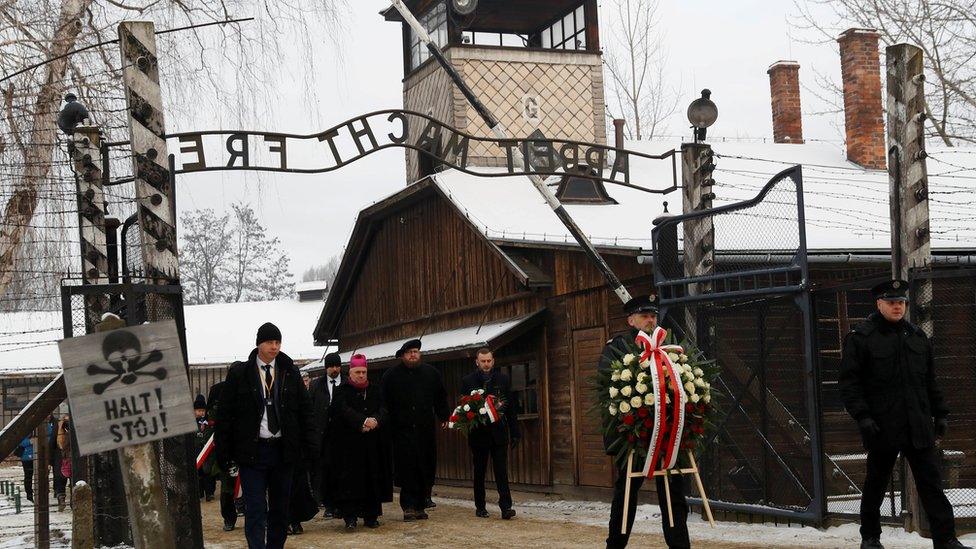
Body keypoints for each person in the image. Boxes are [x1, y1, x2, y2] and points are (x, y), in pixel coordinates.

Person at [840, 280, 971, 549]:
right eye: (891, 302)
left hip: (918, 424)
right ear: (879, 304)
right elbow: (849, 383)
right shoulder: (861, 337)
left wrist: (940, 413)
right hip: (882, 425)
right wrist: (863, 417)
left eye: (901, 302)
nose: (897, 306)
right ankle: (871, 538)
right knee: (876, 484)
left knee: (932, 484)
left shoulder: (917, 337)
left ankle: (946, 540)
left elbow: (929, 380)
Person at [215, 322, 318, 549]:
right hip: (253, 452)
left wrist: (310, 447)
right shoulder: (240, 373)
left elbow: (305, 411)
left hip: (283, 451)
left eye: (278, 342)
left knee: (280, 509)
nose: (274, 347)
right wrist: (225, 453)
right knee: (255, 509)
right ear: (259, 344)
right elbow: (225, 415)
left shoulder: (290, 372)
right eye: (270, 342)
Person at [601, 295, 690, 549]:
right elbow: (608, 390)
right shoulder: (617, 348)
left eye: (653, 315)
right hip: (634, 435)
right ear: (631, 320)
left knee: (674, 495)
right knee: (626, 494)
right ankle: (615, 545)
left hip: (667, 436)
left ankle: (680, 546)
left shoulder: (670, 346)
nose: (650, 320)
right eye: (644, 316)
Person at [381, 338, 449, 521]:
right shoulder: (391, 376)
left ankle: (420, 505)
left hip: (425, 430)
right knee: (407, 469)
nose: (413, 355)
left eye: (416, 352)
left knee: (424, 467)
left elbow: (440, 396)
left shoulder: (431, 373)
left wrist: (444, 416)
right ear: (403, 355)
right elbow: (384, 403)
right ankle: (408, 506)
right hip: (401, 431)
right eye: (409, 352)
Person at [330, 354, 393, 530]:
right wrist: (362, 421)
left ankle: (371, 516)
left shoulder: (374, 389)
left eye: (364, 372)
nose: (361, 375)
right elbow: (342, 410)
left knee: (372, 479)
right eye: (357, 372)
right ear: (350, 373)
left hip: (372, 443)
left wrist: (375, 421)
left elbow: (384, 409)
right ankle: (350, 517)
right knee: (350, 482)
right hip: (349, 445)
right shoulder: (342, 390)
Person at [460, 348, 519, 520]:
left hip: (499, 433)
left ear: (493, 361)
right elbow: (464, 407)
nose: (486, 364)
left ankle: (506, 507)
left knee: (501, 471)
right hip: (478, 435)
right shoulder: (468, 381)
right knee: (479, 471)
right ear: (477, 362)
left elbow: (511, 408)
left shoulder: (503, 379)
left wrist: (515, 432)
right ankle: (480, 506)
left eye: (489, 361)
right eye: (483, 361)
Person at [309, 352, 345, 518]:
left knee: (341, 470)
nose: (334, 369)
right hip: (321, 436)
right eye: (331, 366)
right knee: (324, 471)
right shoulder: (316, 385)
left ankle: (341, 504)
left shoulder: (346, 383)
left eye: (337, 366)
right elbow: (309, 409)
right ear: (326, 368)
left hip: (341, 435)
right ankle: (328, 504)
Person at [209, 362, 244, 531]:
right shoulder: (218, 391)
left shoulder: (250, 390)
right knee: (227, 487)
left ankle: (255, 516)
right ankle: (229, 518)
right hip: (226, 446)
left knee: (254, 486)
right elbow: (212, 418)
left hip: (246, 446)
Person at [194, 394, 216, 502]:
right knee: (198, 474)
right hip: (197, 452)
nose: (201, 413)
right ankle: (199, 492)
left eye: (203, 410)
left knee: (208, 473)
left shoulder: (209, 423)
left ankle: (209, 493)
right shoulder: (193, 424)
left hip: (208, 454)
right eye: (198, 411)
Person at [15, 436, 34, 502]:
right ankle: (29, 495)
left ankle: (41, 492)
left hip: (40, 455)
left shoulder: (43, 426)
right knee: (28, 476)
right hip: (26, 457)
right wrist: (29, 442)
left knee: (41, 475)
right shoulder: (22, 428)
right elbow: (18, 441)